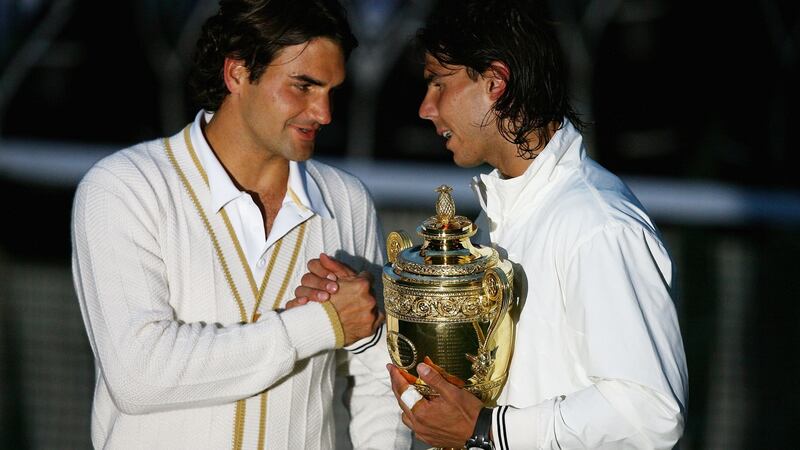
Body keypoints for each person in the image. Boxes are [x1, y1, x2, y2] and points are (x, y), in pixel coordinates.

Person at [297, 0, 688, 448]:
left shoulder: (596, 224)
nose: (426, 108)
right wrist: (375, 321)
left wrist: (486, 430)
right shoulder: (500, 216)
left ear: (495, 83)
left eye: (439, 84)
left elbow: (650, 413)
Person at [70, 0, 411, 448]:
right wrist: (320, 325)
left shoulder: (345, 201)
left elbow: (377, 376)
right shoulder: (124, 188)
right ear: (236, 74)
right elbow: (139, 375)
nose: (323, 113)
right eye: (303, 86)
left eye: (331, 91)